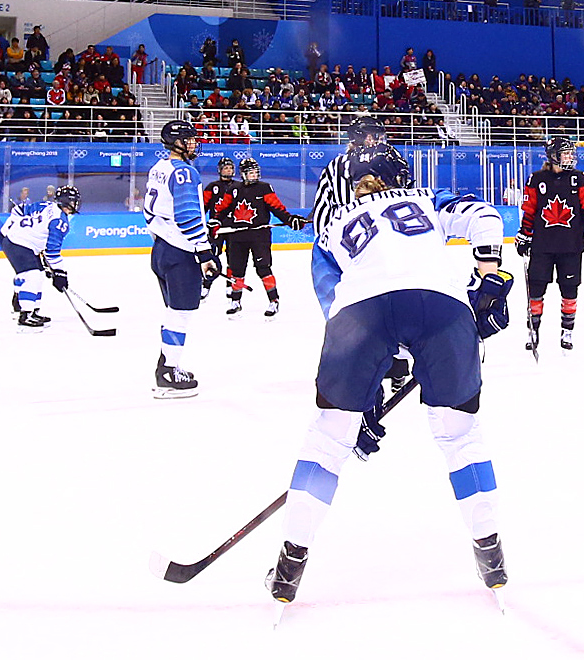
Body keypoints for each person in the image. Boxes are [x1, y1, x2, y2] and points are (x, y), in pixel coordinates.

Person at [264, 130, 514, 607]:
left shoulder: (332, 230)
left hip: (361, 311)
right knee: (461, 436)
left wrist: (367, 386)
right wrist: (488, 277)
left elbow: (334, 304)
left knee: (328, 439)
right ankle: (491, 552)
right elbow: (484, 215)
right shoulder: (426, 198)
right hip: (442, 306)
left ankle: (289, 565)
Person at [144, 118, 220, 397]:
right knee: (181, 313)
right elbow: (188, 216)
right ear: (176, 143)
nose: (193, 143)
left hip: (162, 249)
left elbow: (149, 212)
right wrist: (204, 252)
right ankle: (168, 373)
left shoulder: (159, 168)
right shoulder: (184, 173)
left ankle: (166, 362)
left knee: (174, 310)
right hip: (181, 251)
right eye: (188, 139)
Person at [516, 138, 584, 356]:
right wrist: (524, 235)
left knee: (569, 290)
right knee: (536, 289)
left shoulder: (580, 178)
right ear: (553, 156)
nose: (569, 157)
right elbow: (530, 210)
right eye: (565, 154)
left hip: (571, 245)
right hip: (542, 246)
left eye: (571, 154)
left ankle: (567, 332)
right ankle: (533, 331)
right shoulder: (536, 179)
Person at [217, 158, 309, 317]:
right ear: (243, 174)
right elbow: (222, 210)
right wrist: (215, 222)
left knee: (263, 268)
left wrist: (290, 219)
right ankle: (235, 301)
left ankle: (273, 301)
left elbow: (277, 208)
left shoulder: (264, 188)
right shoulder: (233, 188)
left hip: (259, 235)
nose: (254, 175)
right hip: (237, 236)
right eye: (250, 173)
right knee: (237, 270)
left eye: (255, 172)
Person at [0, 184, 79, 329]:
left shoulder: (46, 205)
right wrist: (60, 274)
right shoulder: (59, 221)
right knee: (33, 275)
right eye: (73, 201)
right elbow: (52, 252)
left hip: (15, 239)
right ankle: (26, 314)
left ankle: (30, 307)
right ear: (67, 201)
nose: (76, 205)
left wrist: (9, 228)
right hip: (18, 243)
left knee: (39, 274)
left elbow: (18, 209)